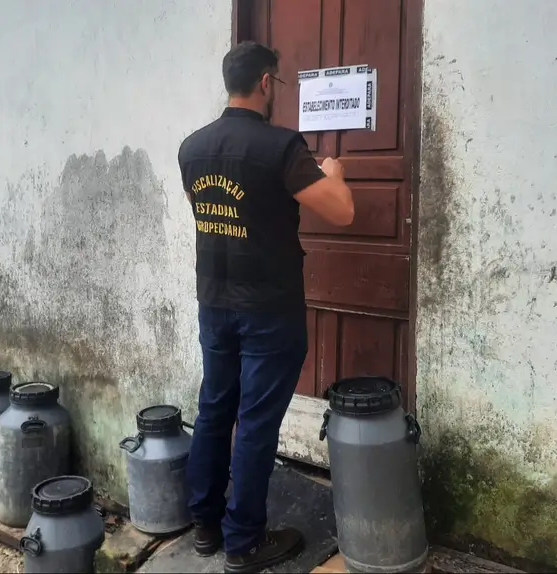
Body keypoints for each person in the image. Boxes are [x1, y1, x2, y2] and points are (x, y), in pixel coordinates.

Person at [178, 41, 354, 573]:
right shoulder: (281, 147)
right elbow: (342, 212)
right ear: (264, 83)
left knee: (215, 409)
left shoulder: (192, 148)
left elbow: (208, 211)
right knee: (254, 421)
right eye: (277, 82)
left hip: (215, 302)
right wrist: (333, 172)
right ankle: (244, 543)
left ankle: (205, 524)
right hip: (268, 310)